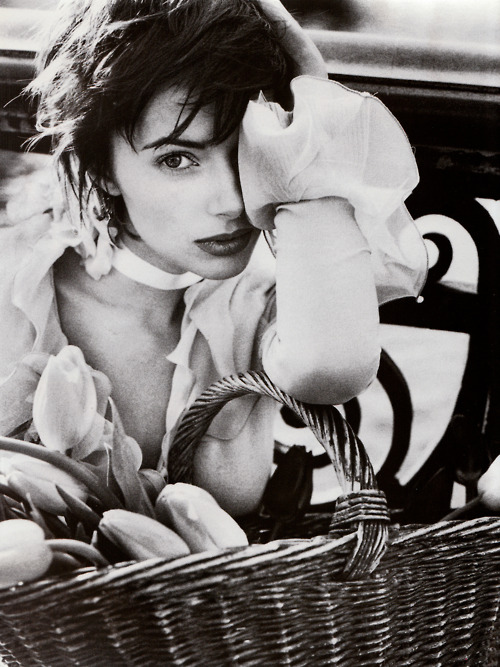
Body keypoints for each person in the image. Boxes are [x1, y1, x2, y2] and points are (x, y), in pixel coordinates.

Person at [0, 0, 427, 516]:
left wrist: (312, 110)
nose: (232, 202)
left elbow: (332, 368)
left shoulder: (262, 302)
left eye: (249, 150)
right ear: (102, 168)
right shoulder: (17, 291)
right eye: (178, 159)